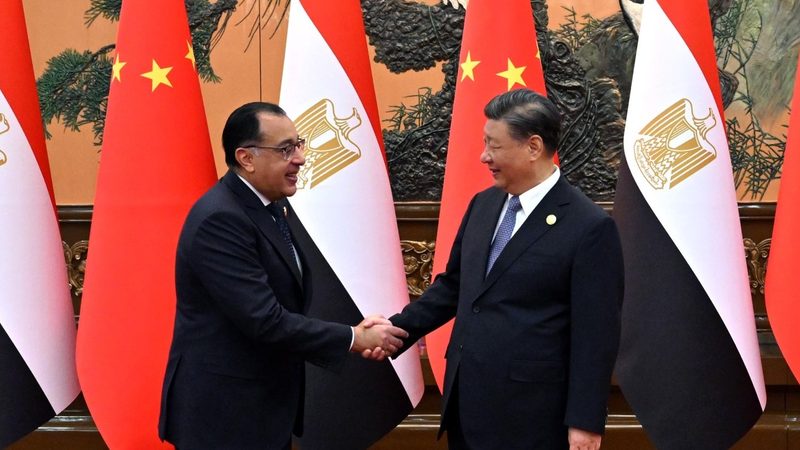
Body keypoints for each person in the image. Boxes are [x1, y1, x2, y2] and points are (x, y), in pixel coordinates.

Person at [380, 89, 624, 450]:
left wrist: (585, 422)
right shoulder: (484, 204)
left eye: (493, 146)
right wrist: (394, 330)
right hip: (467, 404)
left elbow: (596, 337)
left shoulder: (588, 226)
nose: (483, 156)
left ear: (533, 147)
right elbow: (455, 287)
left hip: (532, 417)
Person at [158, 102, 407, 450]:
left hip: (262, 406)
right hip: (225, 416)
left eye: (299, 144)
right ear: (246, 158)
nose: (301, 158)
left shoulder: (271, 207)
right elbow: (264, 320)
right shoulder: (221, 219)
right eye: (286, 149)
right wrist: (353, 337)